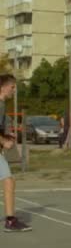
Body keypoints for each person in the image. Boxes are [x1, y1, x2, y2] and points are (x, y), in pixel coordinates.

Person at [0, 74, 31, 231]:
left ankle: (10, 220)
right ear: (3, 87)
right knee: (8, 180)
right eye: (12, 87)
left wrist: (6, 136)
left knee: (8, 180)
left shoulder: (2, 104)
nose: (14, 90)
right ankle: (10, 221)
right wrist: (4, 141)